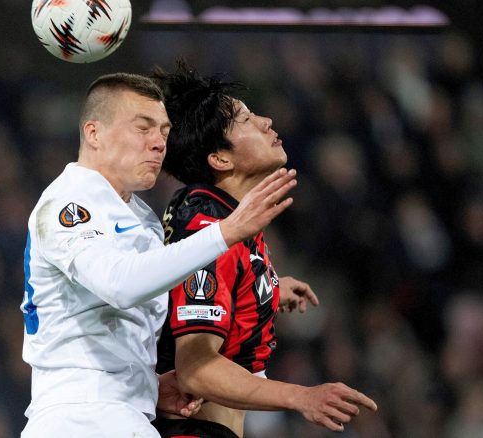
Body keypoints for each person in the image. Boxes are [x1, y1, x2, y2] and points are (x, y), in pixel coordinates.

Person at [20, 72, 299, 438]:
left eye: (164, 132)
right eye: (143, 128)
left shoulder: (141, 219)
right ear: (94, 133)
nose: (157, 144)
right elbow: (119, 284)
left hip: (126, 416)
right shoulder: (68, 203)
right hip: (80, 419)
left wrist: (149, 386)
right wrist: (225, 232)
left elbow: (154, 300)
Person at [151, 64, 378, 438]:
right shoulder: (208, 226)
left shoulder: (222, 213)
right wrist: (302, 397)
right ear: (220, 159)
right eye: (245, 119)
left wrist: (266, 288)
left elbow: (210, 284)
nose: (266, 121)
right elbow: (195, 368)